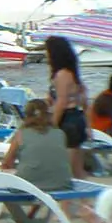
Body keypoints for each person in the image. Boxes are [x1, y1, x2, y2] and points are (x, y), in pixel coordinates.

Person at [1, 99, 73, 191]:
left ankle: (15, 205)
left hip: (28, 186)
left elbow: (7, 163)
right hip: (62, 184)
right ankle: (37, 205)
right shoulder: (60, 133)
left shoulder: (21, 134)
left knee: (6, 174)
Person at [44, 35, 89, 178]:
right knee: (77, 169)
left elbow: (62, 102)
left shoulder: (62, 75)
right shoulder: (72, 74)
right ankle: (85, 200)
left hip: (68, 120)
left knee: (67, 167)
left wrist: (52, 125)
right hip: (76, 118)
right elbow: (84, 100)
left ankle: (67, 201)